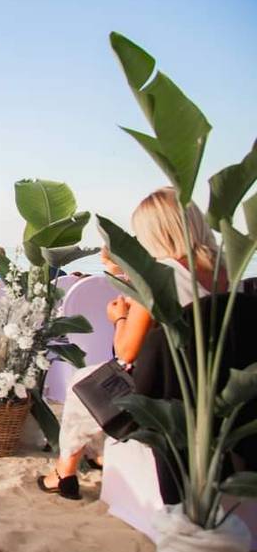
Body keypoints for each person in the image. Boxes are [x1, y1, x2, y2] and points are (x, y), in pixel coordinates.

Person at [38, 187, 226, 499]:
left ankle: (64, 471)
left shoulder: (158, 278)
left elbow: (126, 351)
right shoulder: (223, 272)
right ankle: (96, 456)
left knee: (84, 383)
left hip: (161, 391)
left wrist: (119, 318)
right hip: (207, 386)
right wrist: (120, 274)